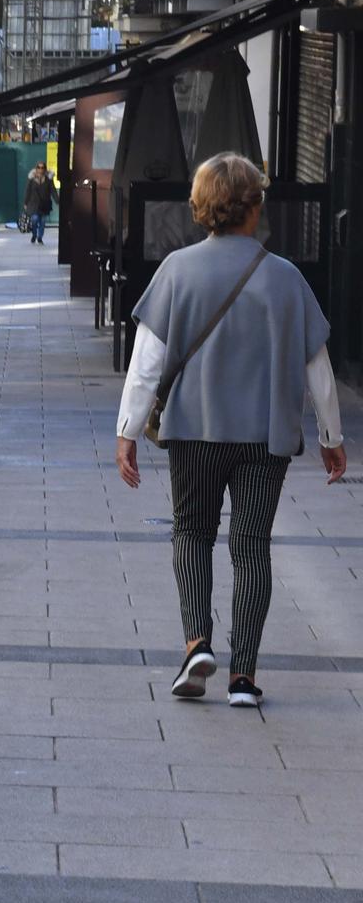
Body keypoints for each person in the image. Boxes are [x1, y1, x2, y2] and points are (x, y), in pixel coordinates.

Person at [115, 153, 347, 708]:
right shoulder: (286, 278)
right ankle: (243, 676)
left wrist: (127, 430)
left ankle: (197, 642)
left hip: (194, 430)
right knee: (252, 547)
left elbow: (147, 362)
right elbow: (319, 366)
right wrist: (332, 439)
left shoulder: (176, 270)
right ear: (256, 208)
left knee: (192, 532)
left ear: (200, 209)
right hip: (265, 437)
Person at [23, 161, 55, 244]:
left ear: (45, 169)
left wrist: (58, 201)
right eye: (39, 167)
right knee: (35, 219)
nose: (40, 169)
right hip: (34, 204)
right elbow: (28, 191)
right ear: (36, 169)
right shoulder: (32, 179)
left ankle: (39, 237)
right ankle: (34, 234)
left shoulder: (48, 179)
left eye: (42, 167)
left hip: (45, 204)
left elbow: (53, 191)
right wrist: (25, 203)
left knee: (43, 222)